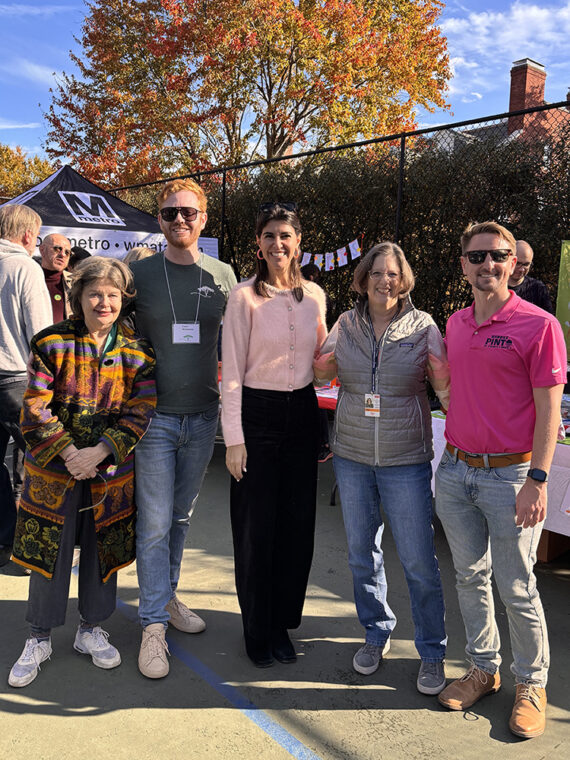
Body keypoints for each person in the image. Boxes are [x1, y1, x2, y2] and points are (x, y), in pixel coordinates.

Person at [436, 222, 566, 738]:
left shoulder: (539, 325)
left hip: (512, 476)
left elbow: (549, 411)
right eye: (476, 256)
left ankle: (531, 682)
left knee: (516, 585)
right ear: (463, 264)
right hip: (455, 470)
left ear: (514, 263)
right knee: (469, 577)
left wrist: (538, 478)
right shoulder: (455, 322)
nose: (486, 264)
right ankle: (483, 670)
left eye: (497, 255)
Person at [8, 256, 156, 687]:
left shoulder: (137, 351)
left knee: (101, 548)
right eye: (94, 293)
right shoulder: (50, 342)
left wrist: (101, 451)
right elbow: (34, 405)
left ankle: (91, 629)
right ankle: (39, 635)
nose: (103, 302)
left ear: (122, 300)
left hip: (109, 472)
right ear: (78, 297)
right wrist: (71, 451)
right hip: (54, 471)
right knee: (48, 551)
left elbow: (141, 409)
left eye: (112, 295)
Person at [313, 242, 450, 695]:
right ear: (362, 278)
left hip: (405, 461)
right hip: (351, 457)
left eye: (393, 273)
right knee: (360, 554)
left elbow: (446, 389)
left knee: (418, 561)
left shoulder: (423, 325)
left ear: (404, 279)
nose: (384, 280)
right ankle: (376, 632)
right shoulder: (346, 323)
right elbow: (319, 374)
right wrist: (319, 360)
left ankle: (431, 651)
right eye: (376, 273)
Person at [130, 179, 236, 679]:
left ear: (204, 218)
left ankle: (166, 597)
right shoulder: (138, 274)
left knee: (179, 518)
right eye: (170, 213)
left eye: (188, 213)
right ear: (159, 218)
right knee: (152, 524)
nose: (179, 221)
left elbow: (242, 343)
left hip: (203, 416)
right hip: (154, 418)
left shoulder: (223, 274)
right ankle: (152, 625)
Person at [222, 202, 327, 667]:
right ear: (259, 244)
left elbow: (322, 365)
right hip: (256, 416)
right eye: (269, 235)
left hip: (303, 416)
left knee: (296, 528)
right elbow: (230, 374)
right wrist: (234, 438)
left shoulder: (317, 297)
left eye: (286, 235)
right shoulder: (243, 297)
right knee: (254, 529)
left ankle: (283, 623)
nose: (278, 244)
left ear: (298, 241)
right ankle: (256, 628)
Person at [0, 204, 52, 567]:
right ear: (27, 235)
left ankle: (5, 541)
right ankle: (45, 544)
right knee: (48, 459)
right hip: (17, 377)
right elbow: (42, 335)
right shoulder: (24, 267)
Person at [301, 262, 334, 463]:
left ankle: (322, 445)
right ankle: (320, 444)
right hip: (308, 355)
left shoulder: (318, 296)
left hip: (316, 355)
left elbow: (320, 326)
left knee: (317, 400)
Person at [508, 240, 554, 313]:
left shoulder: (538, 288)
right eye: (518, 263)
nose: (522, 269)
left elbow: (547, 320)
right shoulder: (494, 286)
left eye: (526, 264)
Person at [39, 233, 73, 322]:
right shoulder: (29, 277)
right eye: (58, 249)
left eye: (67, 252)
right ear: (42, 250)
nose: (63, 255)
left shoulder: (75, 283)